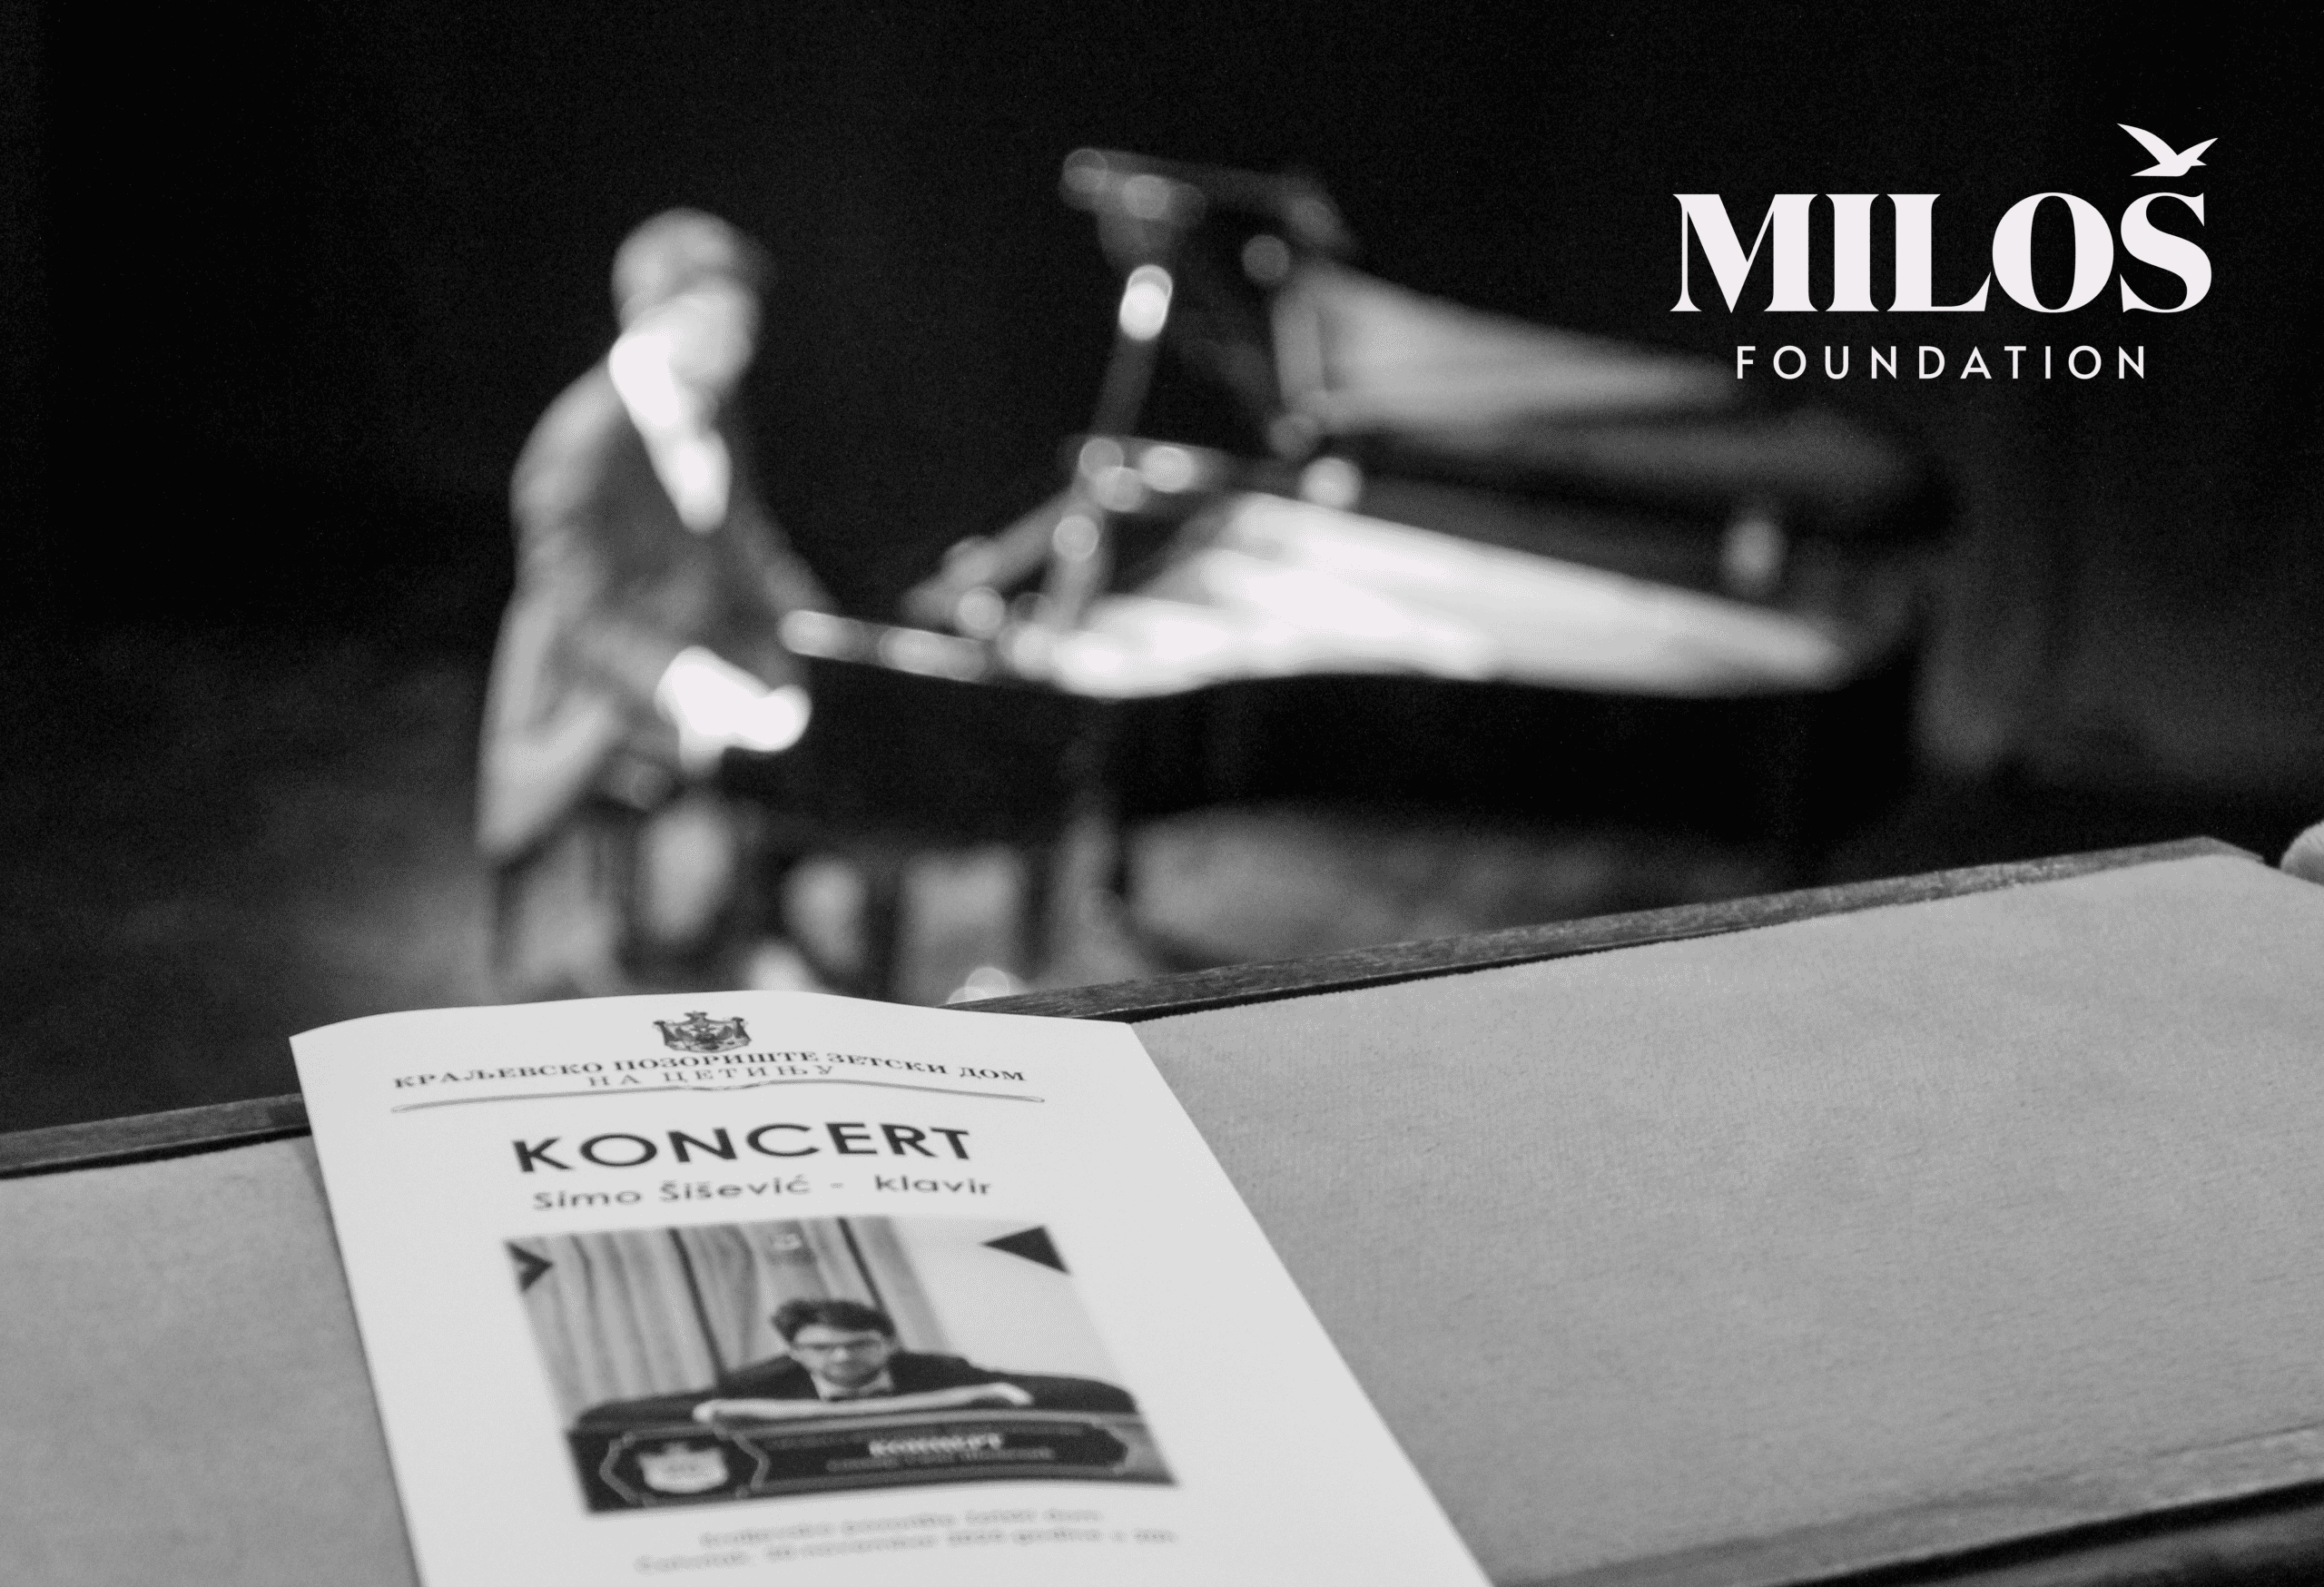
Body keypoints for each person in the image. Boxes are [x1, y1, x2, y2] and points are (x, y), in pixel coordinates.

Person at [478, 210, 831, 999]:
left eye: (745, 325)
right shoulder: (579, 443)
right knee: (753, 745)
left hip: (696, 643)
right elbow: (581, 619)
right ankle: (651, 957)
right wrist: (686, 683)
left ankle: (750, 926)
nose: (741, 346)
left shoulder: (713, 406)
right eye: (720, 324)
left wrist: (819, 629)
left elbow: (745, 538)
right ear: (657, 317)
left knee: (823, 724)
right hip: (597, 685)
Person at [576, 1297, 1137, 1428]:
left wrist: (990, 1394)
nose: (842, 1356)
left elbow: (1104, 1395)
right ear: (795, 1354)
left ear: (889, 1343)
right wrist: (716, 1410)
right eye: (821, 1348)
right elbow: (602, 1416)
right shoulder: (757, 1383)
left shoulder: (941, 1371)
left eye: (860, 1343)